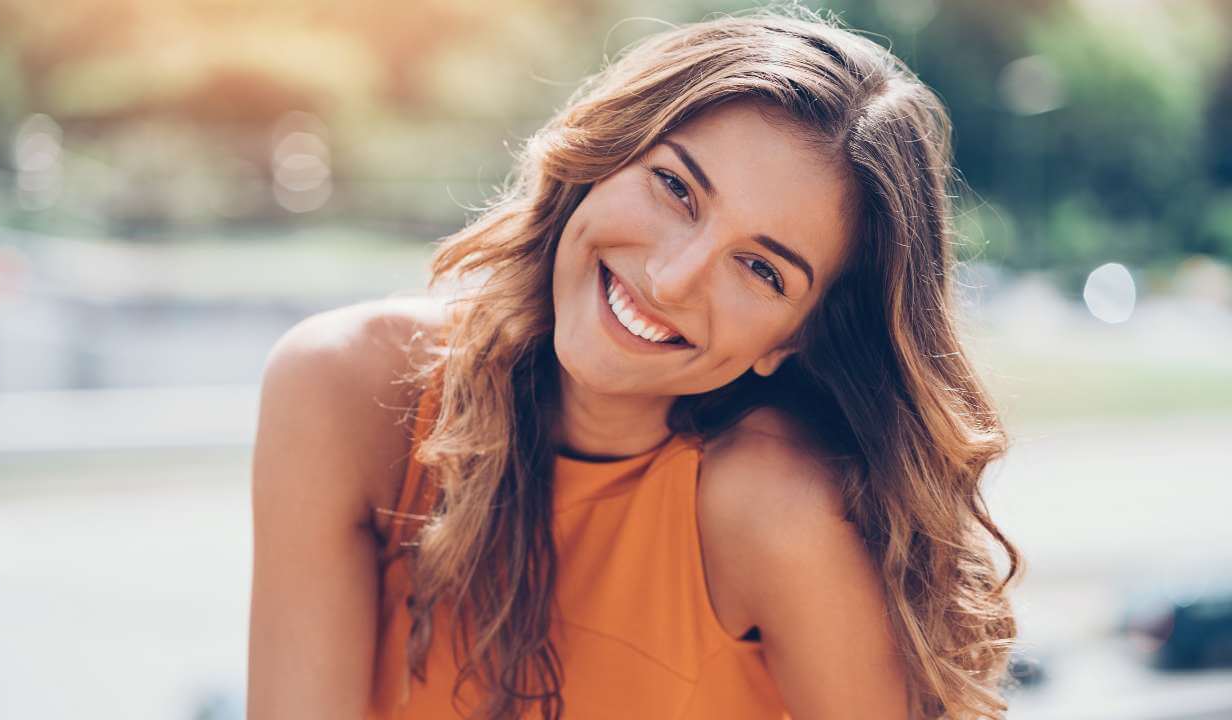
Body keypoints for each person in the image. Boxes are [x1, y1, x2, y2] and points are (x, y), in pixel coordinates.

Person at [246, 8, 1022, 720]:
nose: (673, 277)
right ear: (604, 153)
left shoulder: (771, 506)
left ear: (794, 339)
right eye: (675, 188)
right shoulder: (348, 391)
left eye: (761, 270)